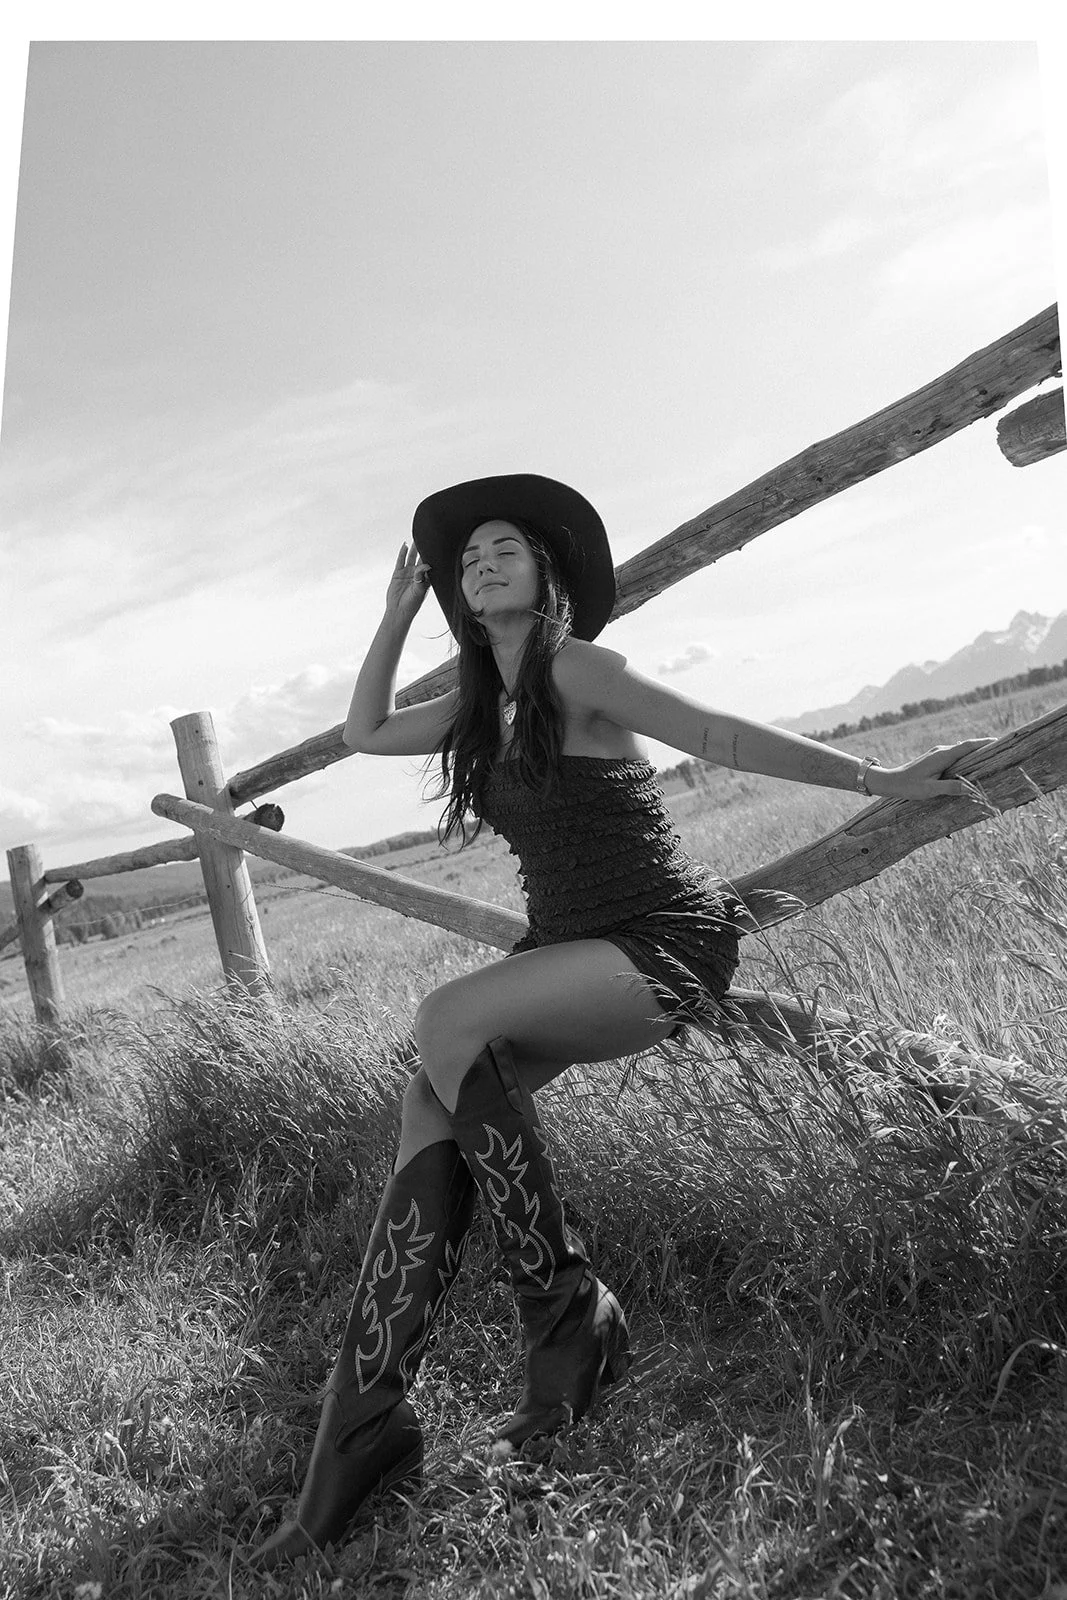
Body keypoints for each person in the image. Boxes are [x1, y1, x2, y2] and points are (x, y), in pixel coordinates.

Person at [253, 473, 989, 1566]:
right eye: (466, 559)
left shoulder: (574, 668)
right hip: (563, 955)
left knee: (440, 1018)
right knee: (427, 1098)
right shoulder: (471, 697)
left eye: (505, 548)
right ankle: (362, 1428)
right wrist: (397, 609)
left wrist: (878, 778)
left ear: (545, 570)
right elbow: (361, 730)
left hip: (657, 944)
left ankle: (566, 1315)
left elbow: (716, 734)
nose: (482, 563)